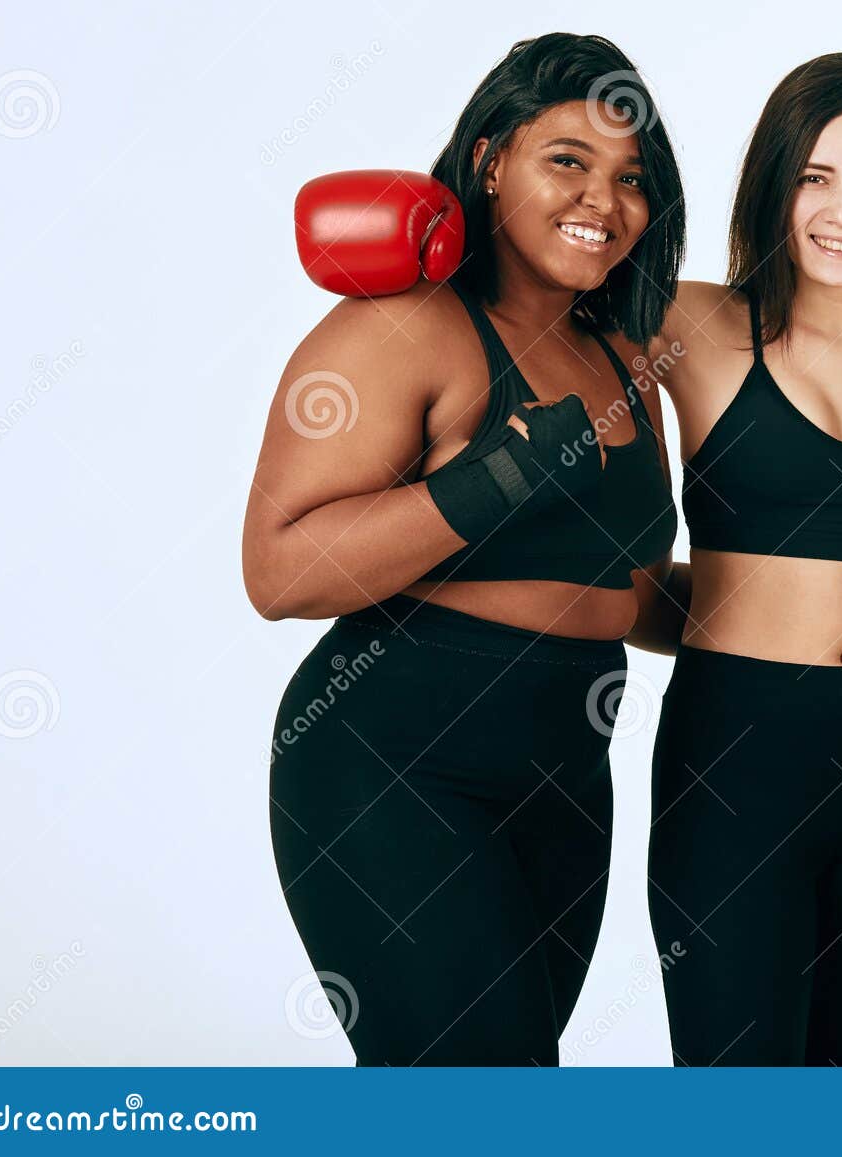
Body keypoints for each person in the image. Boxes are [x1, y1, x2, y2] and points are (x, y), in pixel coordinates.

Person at [241, 33, 684, 1065]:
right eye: (565, 159)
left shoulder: (622, 358)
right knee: (471, 1089)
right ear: (490, 161)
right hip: (394, 760)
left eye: (631, 177)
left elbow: (620, 589)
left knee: (509, 1087)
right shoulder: (405, 328)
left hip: (568, 773)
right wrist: (499, 479)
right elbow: (276, 569)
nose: (603, 199)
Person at [636, 51, 842, 1065]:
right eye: (814, 176)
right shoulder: (686, 325)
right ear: (774, 183)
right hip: (733, 759)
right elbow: (517, 309)